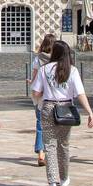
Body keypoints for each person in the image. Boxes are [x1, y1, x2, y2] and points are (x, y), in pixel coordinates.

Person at [32, 38, 93, 186]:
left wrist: (40, 96)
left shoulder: (44, 69)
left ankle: (52, 182)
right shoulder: (72, 70)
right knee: (64, 145)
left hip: (48, 107)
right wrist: (89, 111)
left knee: (50, 147)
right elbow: (80, 93)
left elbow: (36, 92)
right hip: (66, 108)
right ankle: (64, 178)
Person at [28, 35, 55, 167]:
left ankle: (40, 154)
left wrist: (31, 82)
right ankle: (51, 151)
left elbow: (34, 76)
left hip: (39, 94)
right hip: (53, 95)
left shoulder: (38, 59)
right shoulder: (57, 60)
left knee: (40, 124)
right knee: (53, 125)